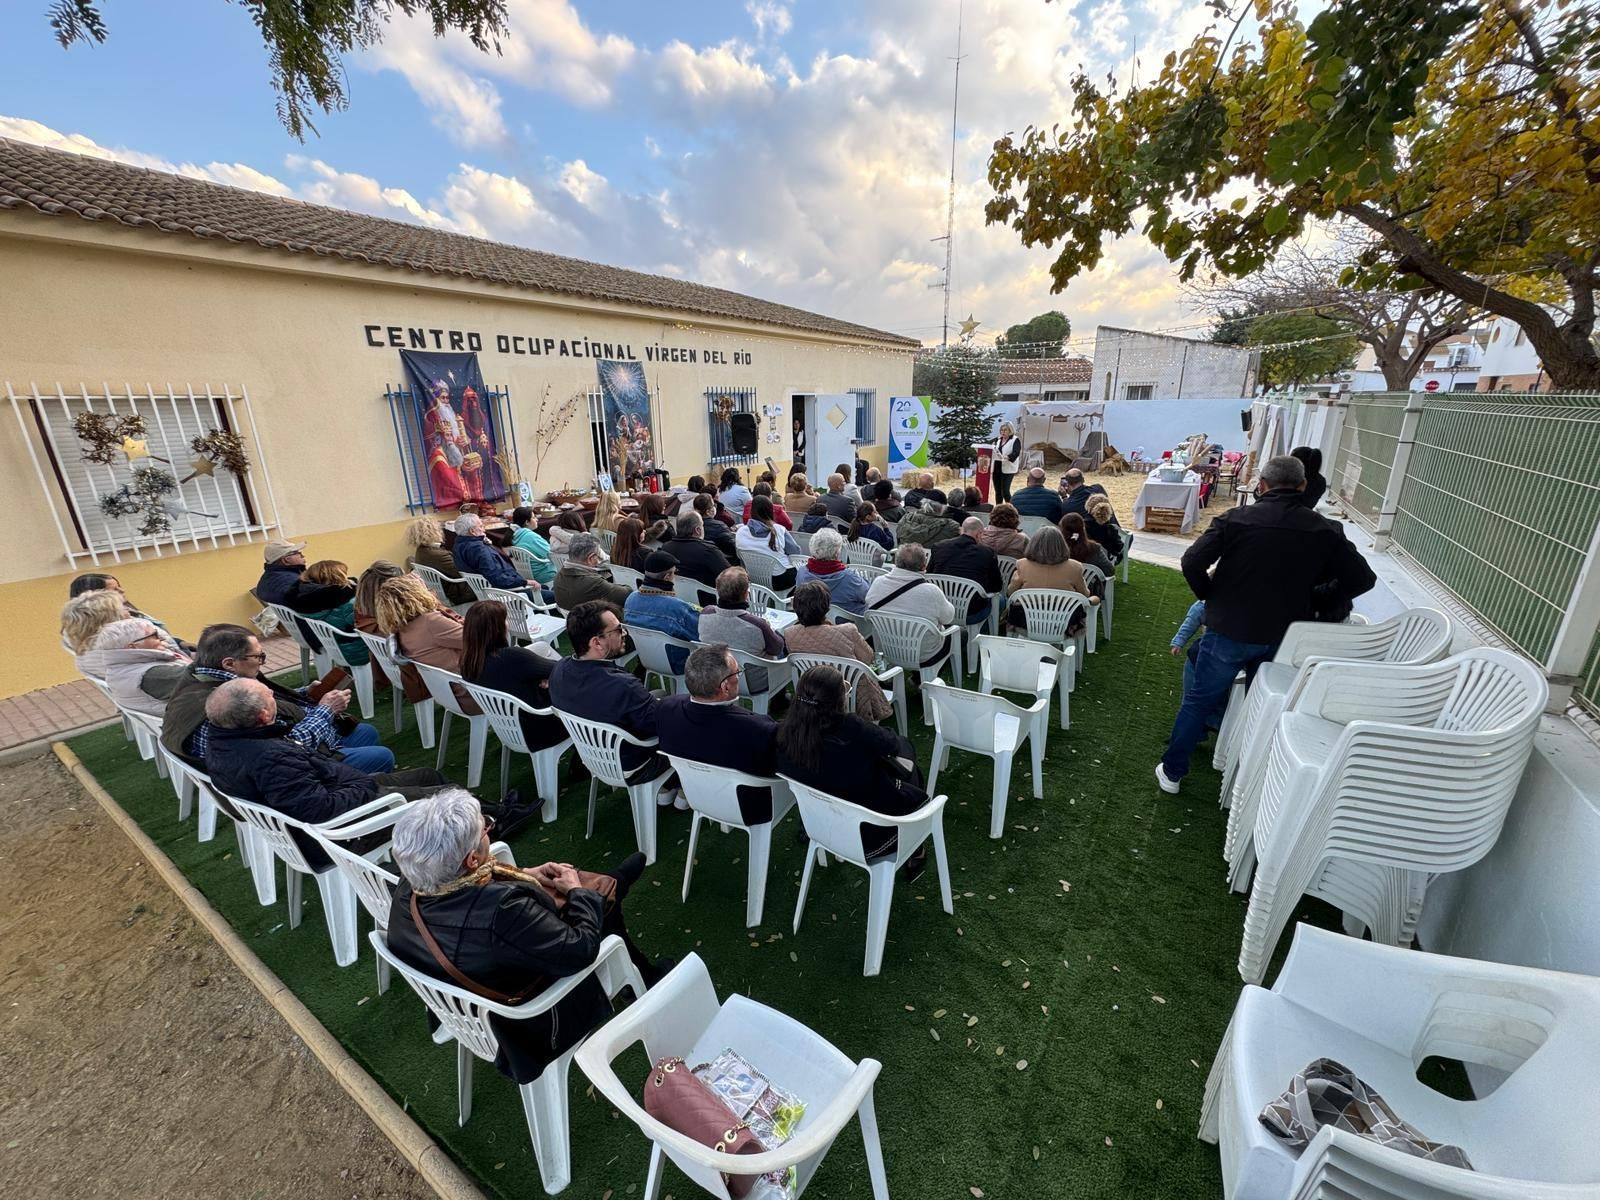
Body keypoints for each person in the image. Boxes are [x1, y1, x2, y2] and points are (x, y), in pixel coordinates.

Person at [385, 788, 670, 1087]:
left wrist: (524, 874)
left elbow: (471, 898)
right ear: (471, 860)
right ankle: (639, 963)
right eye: (485, 828)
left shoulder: (411, 886)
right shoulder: (502, 912)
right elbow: (581, 949)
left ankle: (612, 890)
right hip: (528, 1016)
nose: (488, 831)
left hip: (466, 1001)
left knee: (592, 898)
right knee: (604, 910)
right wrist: (576, 892)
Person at [1156, 454, 1377, 794]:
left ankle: (1172, 773)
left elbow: (1192, 561)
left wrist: (1213, 597)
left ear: (1261, 485)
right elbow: (1362, 578)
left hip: (1230, 629)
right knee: (1264, 706)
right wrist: (1316, 598)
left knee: (1198, 701)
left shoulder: (1236, 519)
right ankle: (1249, 779)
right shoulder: (1326, 530)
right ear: (1302, 486)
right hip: (1285, 637)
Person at [202, 679, 447, 867]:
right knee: (452, 800)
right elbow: (320, 810)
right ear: (264, 716)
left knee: (427, 776)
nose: (274, 696)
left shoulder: (222, 739)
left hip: (334, 792)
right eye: (271, 697)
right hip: (340, 832)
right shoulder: (270, 758)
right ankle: (469, 851)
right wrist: (364, 786)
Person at [161, 623, 392, 772]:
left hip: (261, 764)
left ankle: (356, 776)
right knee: (381, 756)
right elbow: (289, 748)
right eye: (258, 657)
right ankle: (355, 787)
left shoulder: (196, 679)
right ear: (229, 664)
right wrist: (325, 710)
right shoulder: (230, 701)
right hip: (288, 771)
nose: (262, 662)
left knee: (364, 732)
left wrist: (303, 693)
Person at [776, 665, 928, 880]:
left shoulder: (783, 733)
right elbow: (893, 745)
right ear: (838, 699)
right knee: (906, 755)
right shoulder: (851, 728)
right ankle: (915, 849)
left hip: (819, 823)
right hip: (872, 834)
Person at [549, 601, 681, 807]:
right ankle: (683, 788)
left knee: (661, 696)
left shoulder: (560, 670)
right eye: (618, 629)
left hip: (594, 755)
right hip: (634, 761)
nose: (625, 632)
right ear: (597, 642)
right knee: (688, 723)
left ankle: (666, 789)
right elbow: (660, 727)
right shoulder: (621, 686)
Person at [657, 643, 782, 821]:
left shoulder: (665, 708)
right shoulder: (759, 728)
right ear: (725, 687)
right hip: (746, 806)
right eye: (738, 673)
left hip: (696, 794)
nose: (739, 677)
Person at [459, 600, 566, 752]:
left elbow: (512, 679)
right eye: (505, 620)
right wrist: (548, 681)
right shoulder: (511, 658)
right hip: (542, 726)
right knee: (578, 685)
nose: (508, 624)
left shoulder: (468, 662)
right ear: (497, 629)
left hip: (511, 728)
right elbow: (562, 670)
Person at [781, 582, 893, 722]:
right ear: (827, 607)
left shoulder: (790, 634)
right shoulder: (848, 630)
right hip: (852, 694)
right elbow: (868, 658)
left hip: (814, 694)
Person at [375, 574, 481, 716]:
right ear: (417, 593)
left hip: (448, 694)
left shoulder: (400, 630)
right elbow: (481, 639)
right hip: (475, 693)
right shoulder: (430, 622)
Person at [865, 543, 957, 664]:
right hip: (924, 654)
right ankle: (918, 678)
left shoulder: (878, 583)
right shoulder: (931, 591)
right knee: (961, 634)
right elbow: (948, 618)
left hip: (887, 646)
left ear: (896, 562)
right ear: (924, 566)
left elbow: (869, 611)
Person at [1005, 525, 1097, 633]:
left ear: (1034, 544)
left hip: (1026, 620)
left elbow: (1010, 592)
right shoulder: (1075, 567)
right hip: (1064, 621)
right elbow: (1085, 595)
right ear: (1061, 544)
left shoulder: (1022, 564)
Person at [93, 616, 190, 718]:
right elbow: (203, 676)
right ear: (133, 647)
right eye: (155, 635)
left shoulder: (120, 669)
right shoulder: (153, 675)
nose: (162, 638)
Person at [623, 551, 702, 672]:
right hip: (679, 662)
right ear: (667, 577)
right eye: (674, 573)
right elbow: (702, 634)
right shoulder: (676, 608)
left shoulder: (631, 599)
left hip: (646, 657)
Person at [697, 567, 786, 666]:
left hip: (719, 671)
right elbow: (777, 649)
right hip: (758, 676)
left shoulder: (705, 613)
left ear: (717, 590)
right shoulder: (757, 624)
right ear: (745, 594)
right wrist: (771, 629)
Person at [929, 517, 1003, 628]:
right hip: (971, 611)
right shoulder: (986, 553)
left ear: (962, 530)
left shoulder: (939, 546)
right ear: (979, 534)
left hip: (941, 606)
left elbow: (929, 575)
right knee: (1000, 600)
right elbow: (996, 586)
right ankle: (982, 635)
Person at [255, 539, 356, 615]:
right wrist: (352, 588)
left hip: (301, 625)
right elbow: (317, 596)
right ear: (286, 560)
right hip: (315, 628)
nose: (302, 555)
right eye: (297, 553)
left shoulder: (269, 578)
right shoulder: (291, 582)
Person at [299, 560, 371, 665]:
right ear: (337, 578)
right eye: (344, 574)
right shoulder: (347, 603)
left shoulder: (307, 599)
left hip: (335, 647)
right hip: (357, 650)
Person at [453, 515, 533, 596]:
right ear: (472, 531)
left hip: (485, 591)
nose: (484, 529)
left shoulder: (458, 546)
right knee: (544, 591)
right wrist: (525, 582)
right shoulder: (480, 549)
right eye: (481, 526)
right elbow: (498, 579)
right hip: (508, 593)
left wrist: (484, 542)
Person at [794, 528, 870, 613]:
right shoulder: (850, 578)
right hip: (847, 623)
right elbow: (868, 596)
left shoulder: (802, 572)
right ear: (837, 553)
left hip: (814, 620)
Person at [62, 590, 132, 680]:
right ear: (108, 618)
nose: (128, 611)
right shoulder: (122, 646)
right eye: (123, 608)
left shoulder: (89, 650)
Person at [735, 496, 801, 589]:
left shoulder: (741, 532)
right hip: (780, 579)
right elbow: (796, 552)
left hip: (753, 577)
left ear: (752, 510)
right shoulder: (780, 530)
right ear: (770, 510)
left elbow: (739, 556)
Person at [405, 516, 473, 606]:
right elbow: (463, 572)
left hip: (445, 591)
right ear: (434, 532)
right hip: (460, 592)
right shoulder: (438, 555)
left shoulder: (421, 551)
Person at [553, 534, 632, 611]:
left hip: (573, 620)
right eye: (598, 555)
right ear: (590, 558)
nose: (599, 560)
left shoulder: (558, 577)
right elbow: (627, 594)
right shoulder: (594, 583)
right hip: (596, 621)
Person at [662, 510, 732, 589]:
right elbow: (730, 576)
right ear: (698, 530)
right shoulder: (708, 550)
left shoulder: (665, 548)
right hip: (708, 598)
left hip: (677, 593)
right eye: (702, 525)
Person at [1059, 512, 1116, 595]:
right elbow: (1109, 570)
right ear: (1083, 528)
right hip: (1088, 590)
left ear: (1061, 529)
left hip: (1060, 589)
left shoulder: (1056, 548)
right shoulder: (1094, 548)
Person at [507, 507, 558, 587]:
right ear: (527, 522)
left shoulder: (514, 536)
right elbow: (552, 554)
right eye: (534, 517)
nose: (537, 519)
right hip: (543, 574)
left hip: (527, 575)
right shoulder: (530, 537)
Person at [691, 492, 739, 560]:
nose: (715, 507)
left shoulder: (690, 524)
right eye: (713, 505)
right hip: (722, 560)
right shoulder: (718, 526)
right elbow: (733, 547)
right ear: (708, 512)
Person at [895, 499, 961, 548]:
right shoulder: (951, 526)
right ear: (942, 509)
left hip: (903, 558)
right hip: (936, 563)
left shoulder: (906, 519)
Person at [1084, 494, 1125, 561]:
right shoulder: (1111, 529)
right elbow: (1119, 547)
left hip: (1086, 564)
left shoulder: (1083, 526)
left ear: (1088, 507)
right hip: (1105, 565)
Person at [993, 421, 1022, 504]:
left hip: (1008, 469)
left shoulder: (1015, 440)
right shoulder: (998, 440)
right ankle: (998, 508)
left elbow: (1016, 452)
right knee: (998, 491)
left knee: (1005, 491)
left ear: (1010, 430)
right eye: (1001, 430)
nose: (1003, 432)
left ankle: (1010, 508)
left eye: (1005, 430)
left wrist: (1007, 457)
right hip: (997, 468)